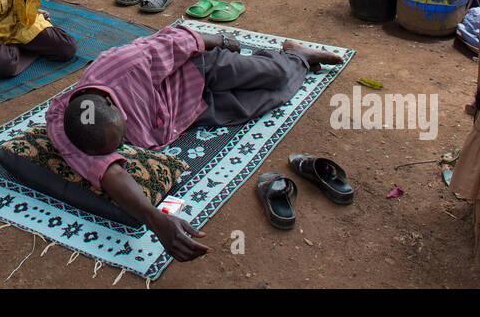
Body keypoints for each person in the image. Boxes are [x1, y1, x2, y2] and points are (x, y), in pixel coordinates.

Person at [46, 25, 333, 260]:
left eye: (122, 137)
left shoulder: (126, 65)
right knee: (271, 97)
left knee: (275, 75)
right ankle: (297, 59)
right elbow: (109, 172)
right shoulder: (66, 127)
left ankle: (291, 55)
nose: (125, 145)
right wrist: (155, 218)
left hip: (199, 68)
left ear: (111, 102)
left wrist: (221, 40)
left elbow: (175, 40)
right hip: (187, 110)